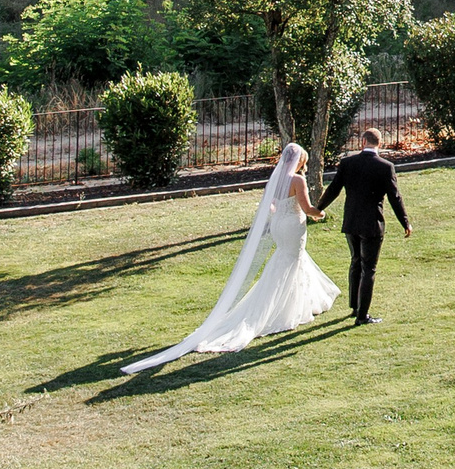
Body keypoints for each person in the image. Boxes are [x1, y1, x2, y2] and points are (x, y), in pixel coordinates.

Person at [121, 142, 340, 373]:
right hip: (292, 226)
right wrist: (321, 213)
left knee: (288, 261)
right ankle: (281, 309)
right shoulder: (297, 180)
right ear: (300, 161)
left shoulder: (276, 179)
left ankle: (299, 302)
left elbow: (272, 207)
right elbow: (306, 208)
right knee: (290, 261)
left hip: (278, 226)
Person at [317, 126, 410, 325]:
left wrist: (318, 208)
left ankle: (354, 306)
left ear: (362, 142)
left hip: (351, 221)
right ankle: (362, 315)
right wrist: (405, 222)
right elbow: (395, 197)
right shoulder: (385, 167)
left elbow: (334, 189)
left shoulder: (347, 163)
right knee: (369, 268)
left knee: (355, 262)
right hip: (372, 223)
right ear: (380, 144)